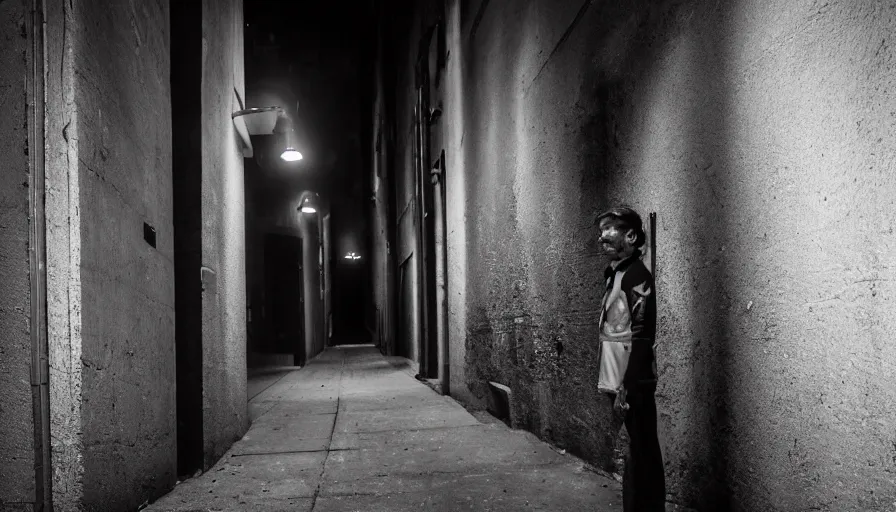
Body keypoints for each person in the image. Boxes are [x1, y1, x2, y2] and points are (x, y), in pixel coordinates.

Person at [595, 206, 665, 511]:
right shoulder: (616, 274)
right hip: (619, 382)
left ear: (631, 235)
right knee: (633, 451)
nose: (602, 237)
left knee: (643, 451)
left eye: (609, 228)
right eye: (601, 231)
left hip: (632, 383)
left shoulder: (637, 275)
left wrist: (627, 386)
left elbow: (641, 333)